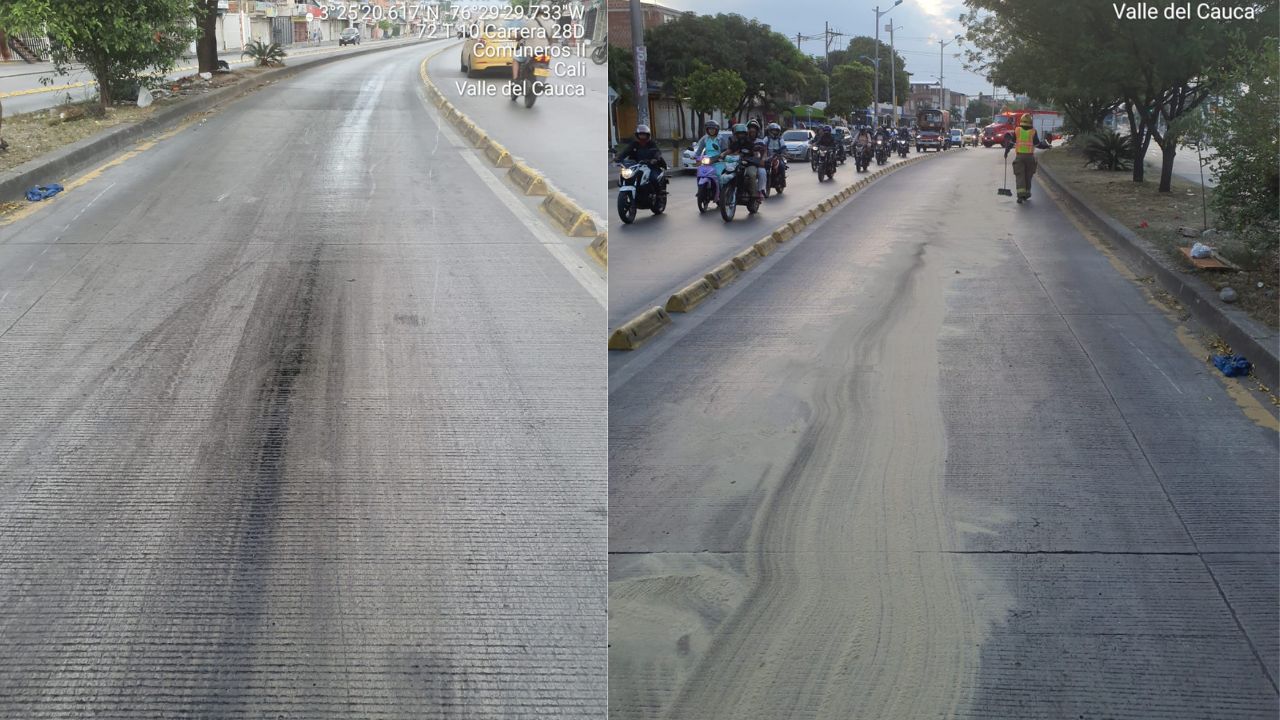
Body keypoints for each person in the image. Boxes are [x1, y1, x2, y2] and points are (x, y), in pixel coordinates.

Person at [1002, 114, 1051, 202]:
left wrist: (1006, 151)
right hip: (1030, 157)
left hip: (1019, 157)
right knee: (1028, 176)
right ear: (1030, 122)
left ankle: (1020, 195)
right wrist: (1046, 146)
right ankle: (1027, 194)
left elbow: (1011, 143)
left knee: (1020, 175)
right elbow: (1038, 144)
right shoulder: (1033, 131)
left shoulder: (1017, 130)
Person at [614, 124, 667, 195]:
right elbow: (626, 151)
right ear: (637, 135)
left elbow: (657, 152)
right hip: (636, 166)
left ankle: (658, 195)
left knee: (653, 178)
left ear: (647, 135)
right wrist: (619, 158)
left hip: (650, 166)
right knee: (626, 176)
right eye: (640, 134)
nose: (642, 136)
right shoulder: (634, 144)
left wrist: (654, 159)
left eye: (644, 134)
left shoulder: (651, 144)